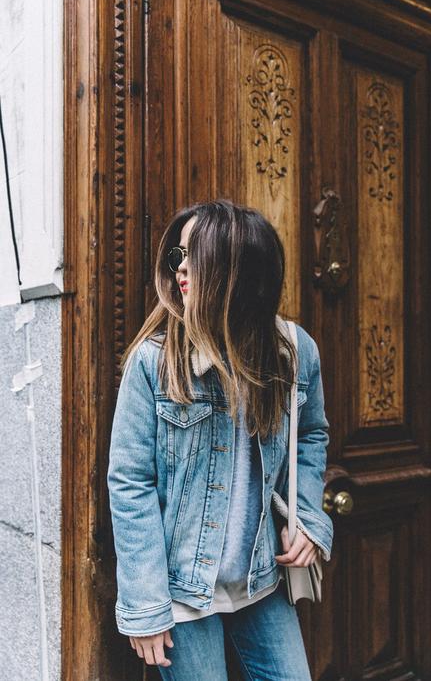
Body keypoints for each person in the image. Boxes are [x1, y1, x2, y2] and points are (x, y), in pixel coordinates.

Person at [107, 199, 333, 680]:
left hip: (260, 579)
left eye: (196, 256)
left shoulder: (292, 353)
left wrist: (309, 519)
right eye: (178, 256)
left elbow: (311, 433)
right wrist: (145, 605)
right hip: (182, 592)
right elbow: (130, 483)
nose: (181, 267)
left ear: (238, 271)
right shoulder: (155, 362)